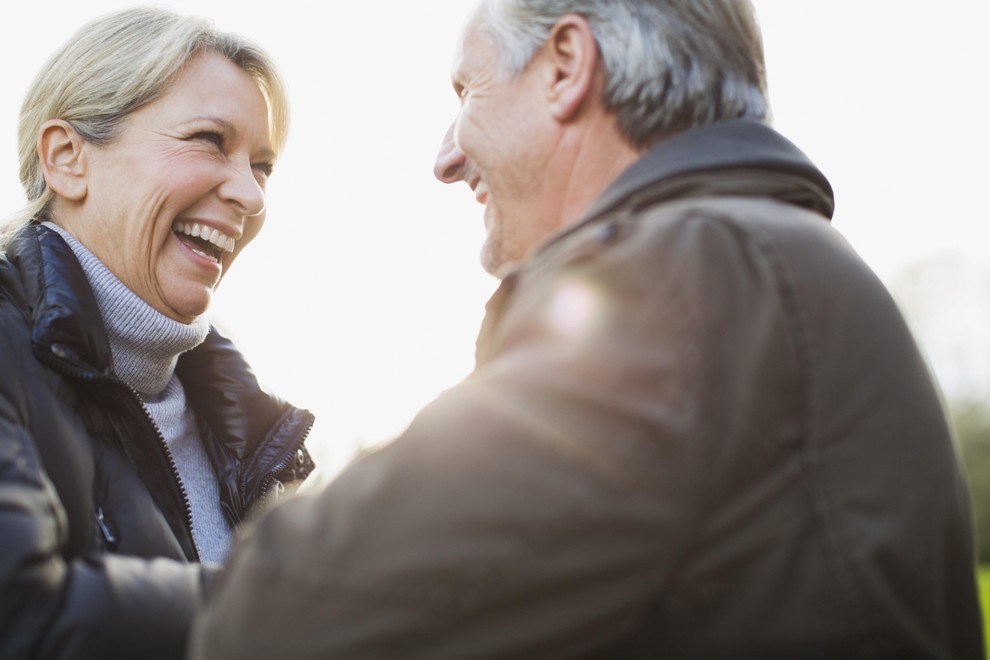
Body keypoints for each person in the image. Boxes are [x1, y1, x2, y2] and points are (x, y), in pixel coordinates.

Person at [189, 0, 984, 658]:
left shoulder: (685, 277)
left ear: (566, 65)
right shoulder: (767, 262)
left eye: (466, 90)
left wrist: (74, 600)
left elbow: (290, 614)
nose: (445, 157)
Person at [0, 7, 315, 660]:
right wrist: (308, 599)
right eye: (209, 139)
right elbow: (19, 616)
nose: (251, 195)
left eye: (262, 166)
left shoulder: (248, 434)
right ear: (66, 159)